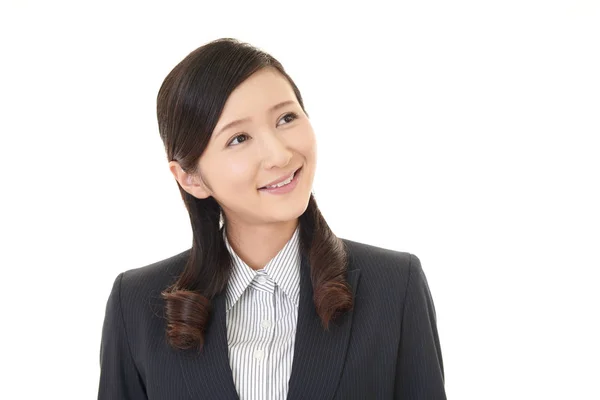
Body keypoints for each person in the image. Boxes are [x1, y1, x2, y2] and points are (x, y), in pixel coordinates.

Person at [98, 38, 447, 400]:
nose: (279, 154)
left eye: (286, 118)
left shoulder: (394, 286)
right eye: (239, 138)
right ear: (191, 178)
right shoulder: (136, 305)